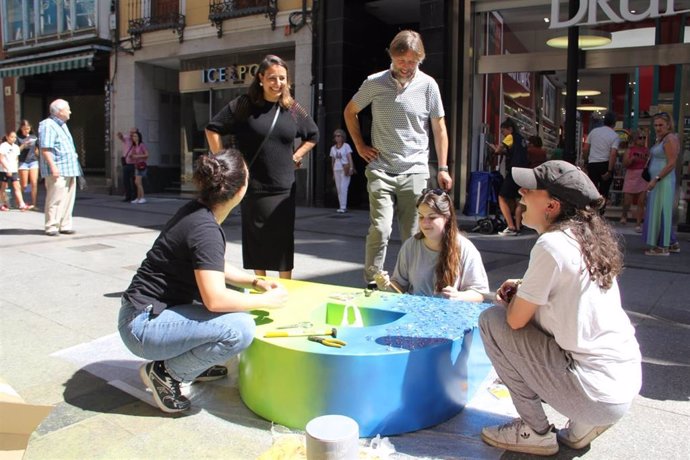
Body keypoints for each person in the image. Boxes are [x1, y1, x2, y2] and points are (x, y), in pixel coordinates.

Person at [479, 160, 641, 456]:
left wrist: (513, 300)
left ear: (551, 206)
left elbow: (514, 321)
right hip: (621, 383)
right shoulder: (587, 239)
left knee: (492, 321)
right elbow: (570, 296)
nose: (521, 192)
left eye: (530, 189)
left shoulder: (551, 245)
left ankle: (535, 431)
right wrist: (526, 287)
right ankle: (583, 425)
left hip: (593, 392)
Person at [118, 149, 288, 413]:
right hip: (142, 327)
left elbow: (211, 264)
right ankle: (167, 373)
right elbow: (215, 299)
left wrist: (254, 283)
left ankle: (192, 364)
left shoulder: (196, 212)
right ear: (240, 189)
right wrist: (266, 301)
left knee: (229, 306)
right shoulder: (205, 229)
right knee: (239, 328)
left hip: (145, 314)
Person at [343, 30, 452, 286]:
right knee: (380, 228)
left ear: (420, 59)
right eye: (401, 60)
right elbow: (350, 111)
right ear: (392, 56)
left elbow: (439, 128)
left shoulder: (428, 85)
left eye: (412, 62)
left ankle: (411, 283)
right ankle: (372, 282)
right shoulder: (374, 82)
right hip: (381, 167)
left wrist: (443, 167)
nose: (406, 67)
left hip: (414, 168)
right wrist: (359, 145)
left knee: (414, 233)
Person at [206, 54, 319, 280]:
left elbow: (313, 134)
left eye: (282, 78)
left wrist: (297, 154)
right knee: (257, 239)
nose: (278, 83)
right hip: (253, 185)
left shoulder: (292, 107)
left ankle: (286, 285)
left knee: (283, 239)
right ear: (260, 78)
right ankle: (262, 283)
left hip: (284, 186)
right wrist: (224, 162)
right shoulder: (243, 104)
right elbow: (212, 128)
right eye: (272, 78)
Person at [374, 188, 488, 300]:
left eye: (432, 217)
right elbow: (399, 286)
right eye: (421, 216)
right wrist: (386, 285)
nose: (425, 223)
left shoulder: (465, 248)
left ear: (447, 218)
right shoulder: (411, 246)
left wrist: (459, 296)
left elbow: (479, 294)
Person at [38, 99, 83, 236]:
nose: (70, 111)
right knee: (55, 198)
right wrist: (53, 167)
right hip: (58, 169)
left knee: (68, 199)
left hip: (70, 168)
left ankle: (64, 224)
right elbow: (45, 148)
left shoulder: (62, 125)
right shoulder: (48, 125)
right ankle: (51, 225)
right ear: (59, 112)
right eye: (67, 109)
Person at [643, 112, 680, 256]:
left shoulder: (670, 139)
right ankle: (670, 242)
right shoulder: (662, 139)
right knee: (658, 211)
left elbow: (671, 163)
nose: (657, 128)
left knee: (662, 212)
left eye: (661, 125)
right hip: (659, 181)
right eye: (656, 125)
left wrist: (656, 178)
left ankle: (662, 246)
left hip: (663, 181)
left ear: (668, 125)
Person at [490, 118, 528, 236]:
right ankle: (518, 225)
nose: (503, 134)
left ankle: (511, 226)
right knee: (518, 198)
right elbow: (515, 153)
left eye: (503, 131)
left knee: (502, 197)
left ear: (510, 129)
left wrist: (494, 148)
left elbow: (499, 149)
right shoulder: (522, 139)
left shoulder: (510, 137)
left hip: (514, 171)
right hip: (524, 171)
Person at [583, 111, 620, 214]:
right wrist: (609, 170)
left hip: (593, 163)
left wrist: (586, 161)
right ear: (614, 123)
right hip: (605, 163)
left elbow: (585, 149)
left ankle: (590, 211)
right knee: (604, 191)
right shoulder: (614, 136)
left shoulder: (594, 132)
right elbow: (613, 154)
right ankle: (600, 213)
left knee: (592, 188)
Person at [620, 129, 649, 232]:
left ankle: (638, 223)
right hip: (632, 174)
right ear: (635, 139)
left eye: (644, 138)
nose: (642, 140)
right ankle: (624, 215)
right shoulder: (630, 150)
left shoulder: (647, 151)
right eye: (640, 138)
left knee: (641, 201)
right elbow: (624, 164)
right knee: (627, 200)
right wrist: (631, 160)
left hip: (642, 175)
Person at [0, 131, 30, 211]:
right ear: (7, 137)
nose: (13, 139)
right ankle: (2, 204)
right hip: (5, 170)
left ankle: (22, 204)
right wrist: (7, 169)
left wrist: (16, 169)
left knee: (17, 186)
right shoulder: (3, 146)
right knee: (4, 187)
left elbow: (16, 159)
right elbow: (1, 159)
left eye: (15, 137)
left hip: (14, 170)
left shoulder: (16, 147)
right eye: (11, 137)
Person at [329, 128, 354, 213]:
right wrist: (333, 173)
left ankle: (343, 207)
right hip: (336, 169)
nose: (337, 137)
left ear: (342, 137)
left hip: (345, 168)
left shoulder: (346, 146)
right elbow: (332, 161)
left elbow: (349, 158)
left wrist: (351, 168)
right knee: (339, 188)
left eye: (339, 136)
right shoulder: (333, 148)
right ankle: (341, 206)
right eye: (335, 136)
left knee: (343, 187)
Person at [16, 120, 39, 209]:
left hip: (33, 161)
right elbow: (16, 150)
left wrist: (37, 153)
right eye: (25, 129)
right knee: (24, 185)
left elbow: (37, 148)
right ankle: (20, 202)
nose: (27, 131)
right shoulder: (18, 137)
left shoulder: (33, 136)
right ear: (21, 128)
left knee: (34, 182)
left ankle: (34, 204)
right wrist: (24, 145)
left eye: (28, 129)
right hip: (23, 162)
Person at [126, 130, 149, 204]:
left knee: (138, 182)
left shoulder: (141, 145)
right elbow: (133, 156)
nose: (134, 137)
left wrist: (137, 156)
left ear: (139, 137)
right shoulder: (133, 146)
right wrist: (132, 156)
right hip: (136, 165)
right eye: (133, 136)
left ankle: (142, 197)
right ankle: (138, 198)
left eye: (136, 136)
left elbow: (147, 155)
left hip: (142, 165)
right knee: (137, 182)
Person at [117, 128, 138, 203]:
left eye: (133, 132)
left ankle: (134, 196)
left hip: (134, 164)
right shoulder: (127, 138)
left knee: (134, 181)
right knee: (126, 181)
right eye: (131, 131)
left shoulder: (137, 142)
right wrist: (120, 135)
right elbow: (121, 137)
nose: (131, 133)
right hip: (126, 163)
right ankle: (128, 196)